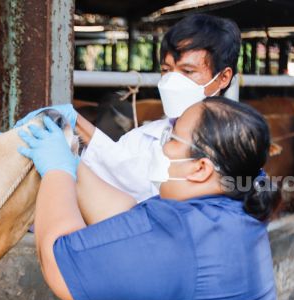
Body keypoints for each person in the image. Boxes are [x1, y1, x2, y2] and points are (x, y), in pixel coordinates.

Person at [0, 97, 279, 300]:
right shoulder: (227, 211)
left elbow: (58, 265)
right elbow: (129, 219)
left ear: (201, 169)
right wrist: (73, 164)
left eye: (172, 138)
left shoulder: (186, 234)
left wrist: (56, 170)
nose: (161, 145)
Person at [14, 14, 242, 203]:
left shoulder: (238, 143)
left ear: (223, 78)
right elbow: (119, 165)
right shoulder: (149, 134)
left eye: (188, 72)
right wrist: (74, 122)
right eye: (166, 70)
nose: (172, 81)